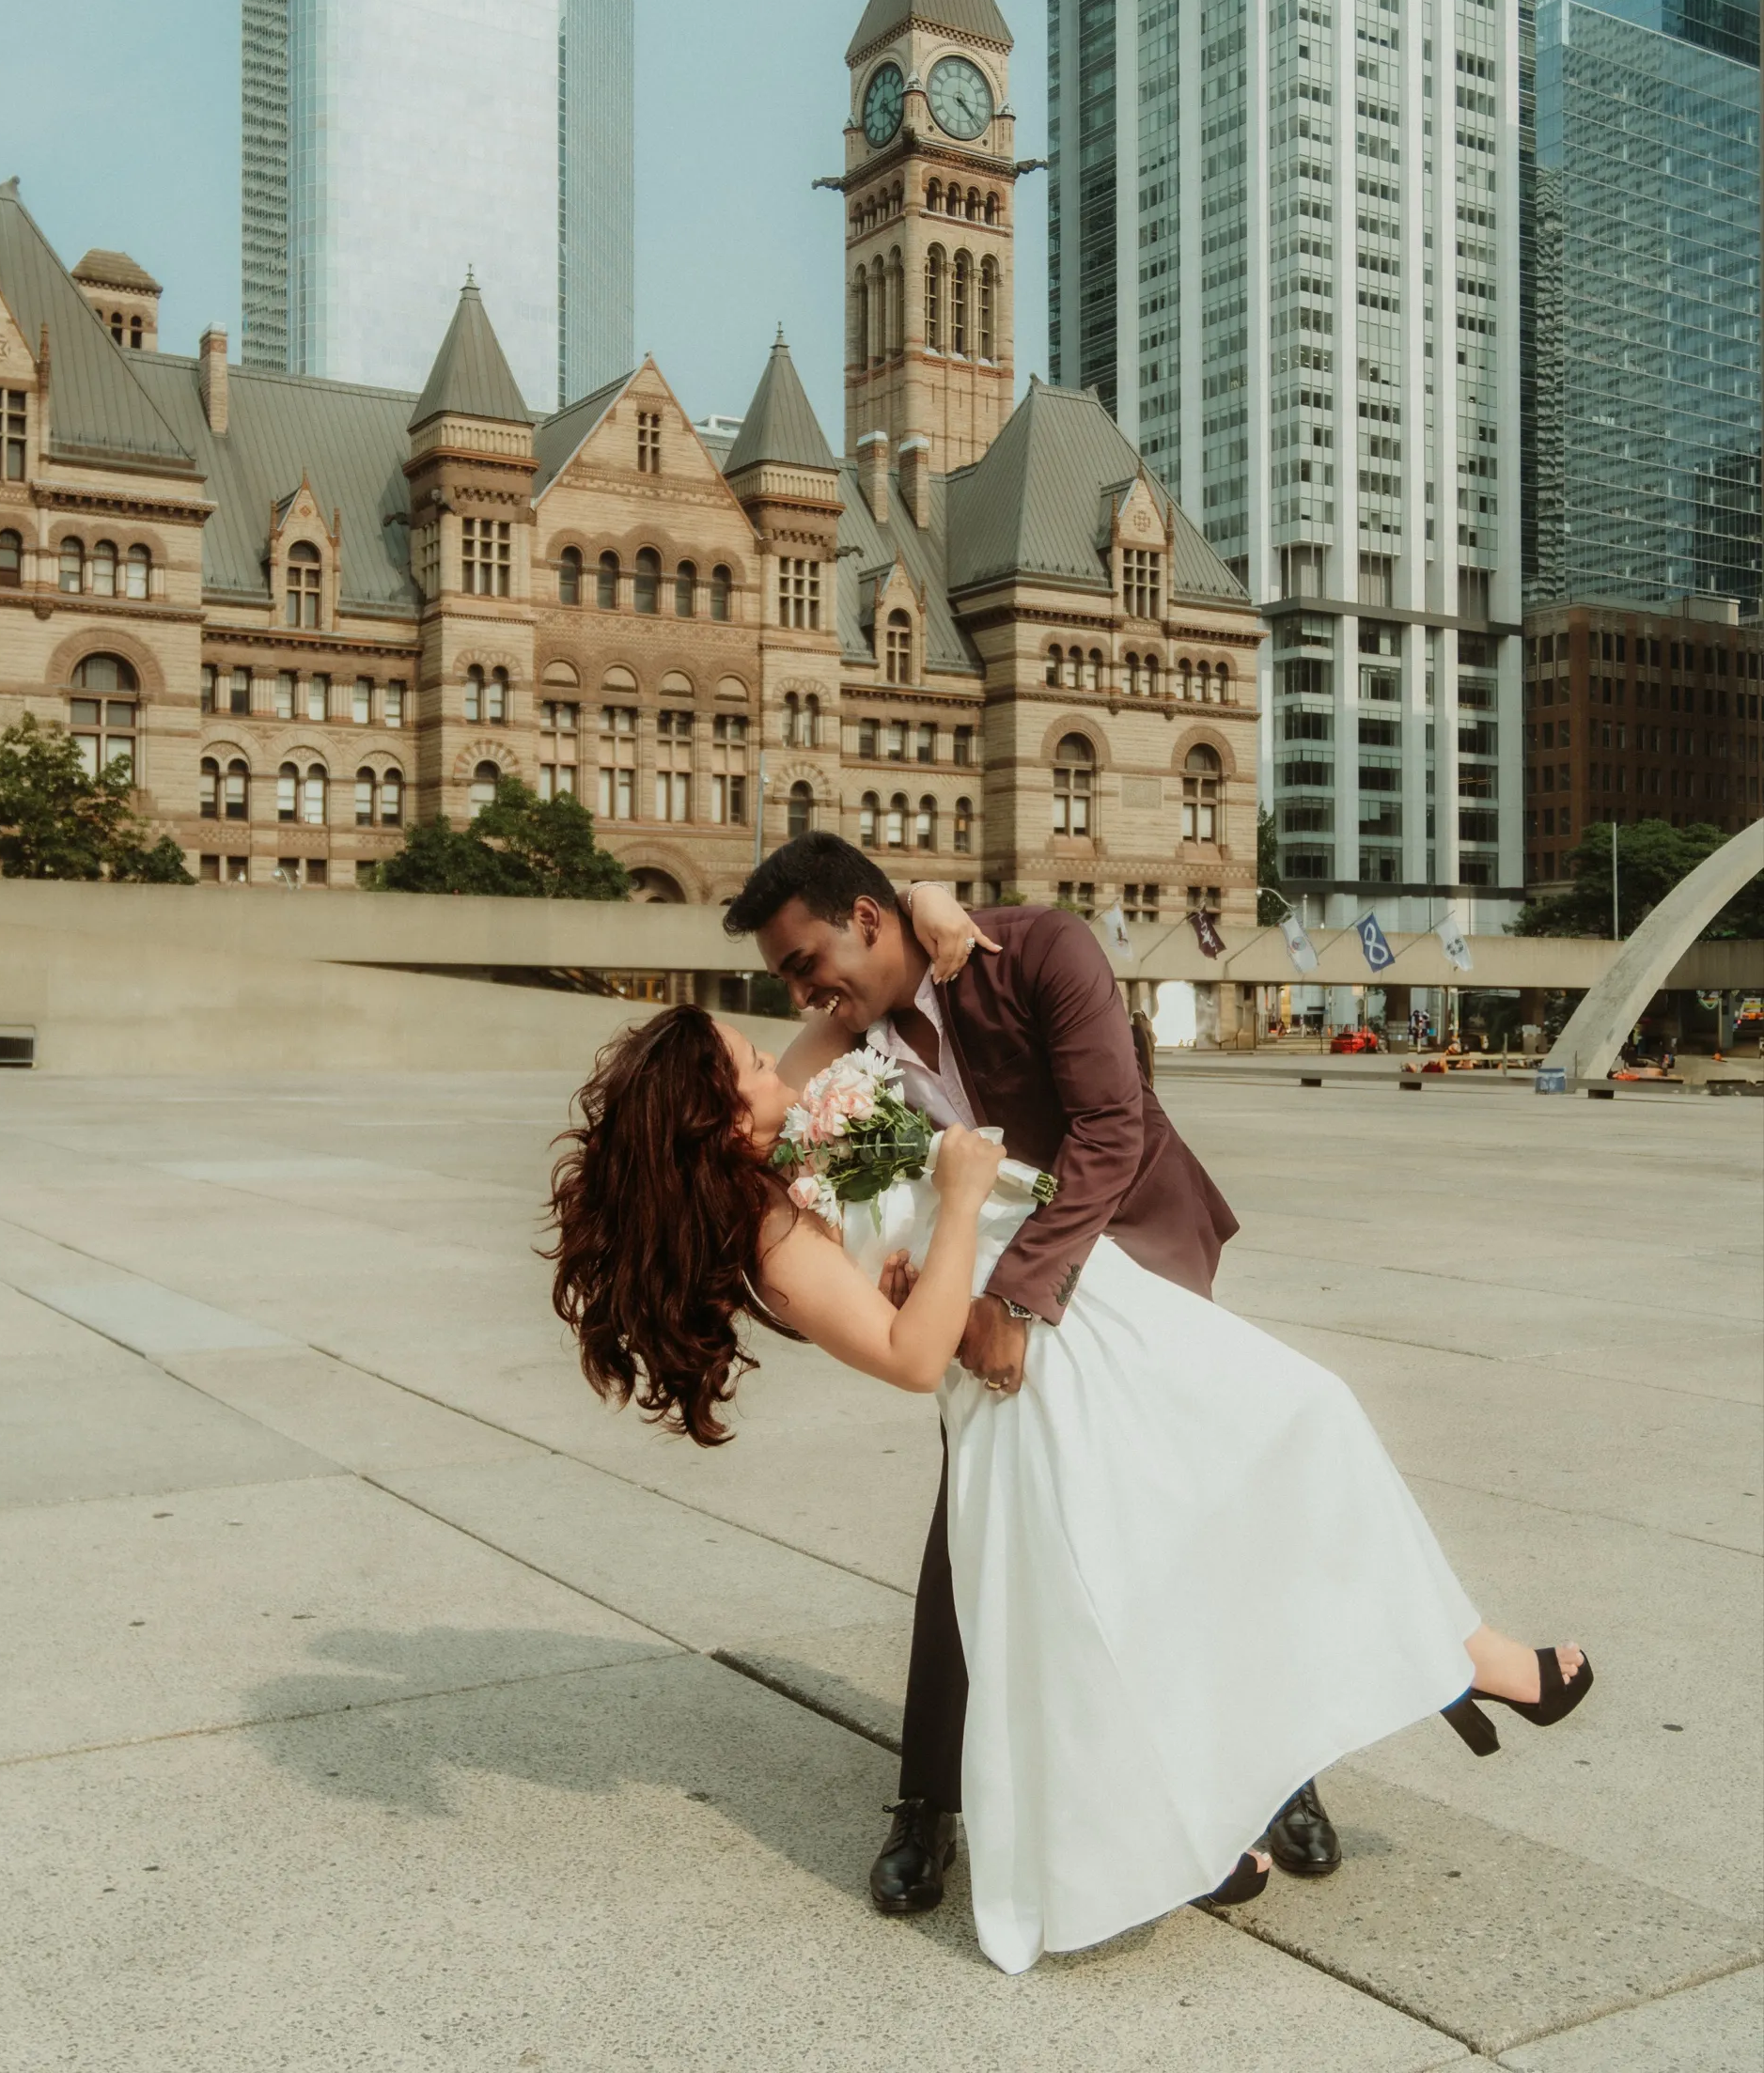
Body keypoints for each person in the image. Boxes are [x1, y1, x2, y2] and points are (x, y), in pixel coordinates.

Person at [548, 842, 1594, 1974]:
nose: (796, 1012)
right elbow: (866, 1297)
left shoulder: (1024, 952)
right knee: (1143, 1544)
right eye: (767, 1025)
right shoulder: (813, 1094)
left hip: (1115, 1267)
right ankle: (1393, 1702)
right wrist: (936, 1250)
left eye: (804, 970)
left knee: (1251, 1471)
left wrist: (982, 1271)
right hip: (1020, 1351)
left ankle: (1308, 1752)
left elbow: (1111, 1128)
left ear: (866, 916)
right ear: (713, 1110)